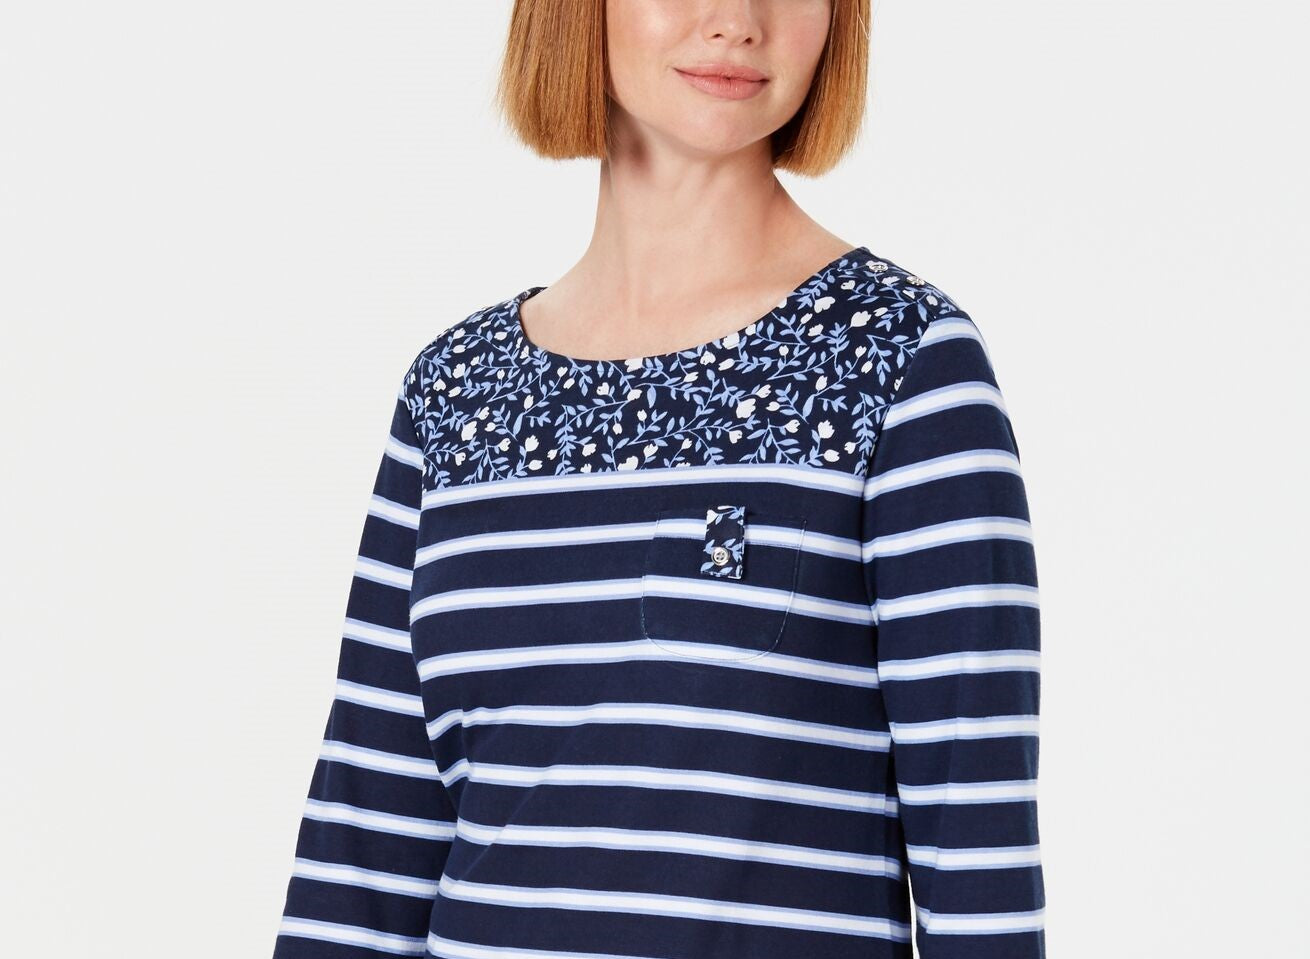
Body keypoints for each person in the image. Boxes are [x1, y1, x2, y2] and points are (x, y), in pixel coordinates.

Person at [271, 2, 1046, 958]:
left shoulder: (899, 363)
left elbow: (977, 849)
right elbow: (364, 843)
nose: (738, 20)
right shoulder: (454, 390)